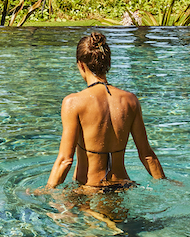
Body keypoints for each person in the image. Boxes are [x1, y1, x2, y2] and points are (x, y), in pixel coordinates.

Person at [45, 31, 166, 191]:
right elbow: (147, 155)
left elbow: (65, 161)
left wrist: (45, 190)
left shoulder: (73, 102)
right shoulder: (130, 100)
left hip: (90, 190)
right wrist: (167, 184)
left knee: (62, 213)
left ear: (81, 64)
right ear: (107, 63)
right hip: (124, 187)